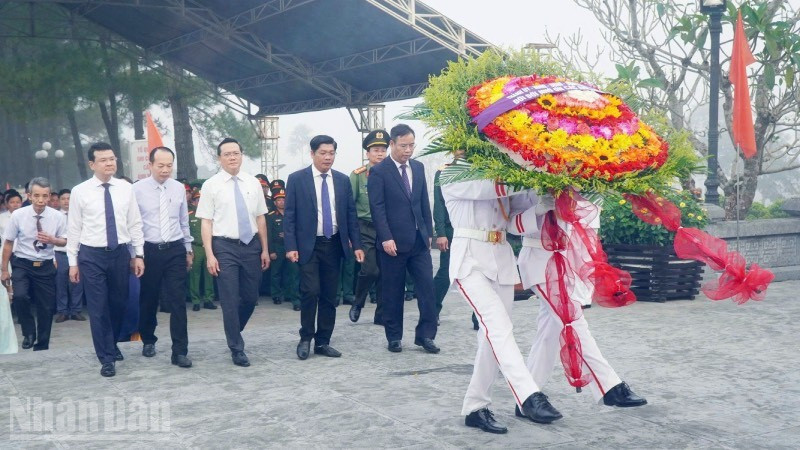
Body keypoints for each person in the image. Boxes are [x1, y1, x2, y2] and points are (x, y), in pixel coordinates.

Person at [441, 165, 563, 433]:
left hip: (501, 259)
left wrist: (542, 201)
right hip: (470, 261)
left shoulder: (505, 173)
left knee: (491, 336)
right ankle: (529, 394)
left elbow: (514, 220)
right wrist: (531, 172)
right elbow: (490, 188)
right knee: (498, 327)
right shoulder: (452, 173)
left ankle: (475, 407)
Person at [511, 196, 648, 411]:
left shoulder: (573, 175)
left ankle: (526, 395)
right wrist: (539, 208)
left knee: (549, 331)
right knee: (572, 320)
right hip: (539, 261)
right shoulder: (523, 182)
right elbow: (512, 223)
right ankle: (609, 386)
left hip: (567, 259)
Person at [67, 142, 145, 377]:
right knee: (98, 307)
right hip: (91, 255)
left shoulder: (125, 189)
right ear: (92, 164)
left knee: (119, 303)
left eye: (112, 158)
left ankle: (111, 343)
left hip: (120, 253)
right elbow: (74, 228)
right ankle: (107, 358)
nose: (110, 163)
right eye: (103, 160)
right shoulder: (80, 191)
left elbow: (134, 223)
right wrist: (73, 262)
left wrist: (137, 254)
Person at [284, 135, 364, 360]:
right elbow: (289, 215)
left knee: (330, 295)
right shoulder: (297, 179)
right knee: (311, 291)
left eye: (331, 153)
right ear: (312, 154)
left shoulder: (342, 180)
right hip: (308, 245)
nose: (328, 157)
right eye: (323, 153)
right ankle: (306, 338)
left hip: (334, 243)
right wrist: (290, 245)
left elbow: (350, 214)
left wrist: (356, 244)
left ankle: (323, 341)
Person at [196, 138, 270, 367]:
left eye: (236, 153)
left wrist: (265, 249)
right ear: (219, 158)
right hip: (224, 246)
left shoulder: (253, 183)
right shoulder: (211, 185)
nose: (232, 157)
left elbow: (260, 218)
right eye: (227, 154)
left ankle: (234, 329)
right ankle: (236, 348)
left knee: (250, 297)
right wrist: (209, 254)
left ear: (241, 155)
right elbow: (206, 222)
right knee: (229, 299)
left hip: (251, 246)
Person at [367, 124, 439, 354]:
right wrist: (386, 237)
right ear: (392, 144)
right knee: (393, 291)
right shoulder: (379, 172)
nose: (408, 150)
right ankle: (394, 336)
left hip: (418, 241)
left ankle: (426, 335)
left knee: (427, 288)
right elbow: (377, 208)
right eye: (403, 146)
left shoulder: (417, 168)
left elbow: (423, 204)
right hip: (393, 244)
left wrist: (428, 232)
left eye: (411, 145)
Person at [133, 147, 194, 368]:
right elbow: (134, 224)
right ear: (150, 165)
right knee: (148, 299)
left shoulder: (178, 188)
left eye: (169, 165)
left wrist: (187, 248)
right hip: (149, 250)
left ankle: (180, 351)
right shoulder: (137, 190)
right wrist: (137, 254)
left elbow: (183, 221)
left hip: (175, 249)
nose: (165, 170)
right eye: (161, 165)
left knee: (178, 300)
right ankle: (148, 339)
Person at [2, 177, 67, 351]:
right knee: (21, 296)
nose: (41, 200)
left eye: (45, 196)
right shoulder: (18, 215)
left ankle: (42, 344)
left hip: (45, 264)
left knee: (46, 307)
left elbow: (65, 241)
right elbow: (8, 242)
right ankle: (28, 332)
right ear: (29, 196)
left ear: (49, 196)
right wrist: (4, 270)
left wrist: (52, 239)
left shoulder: (58, 217)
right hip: (22, 263)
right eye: (36, 195)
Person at [348, 129, 388, 324]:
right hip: (365, 228)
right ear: (367, 153)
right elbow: (349, 207)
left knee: (385, 272)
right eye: (375, 150)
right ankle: (358, 302)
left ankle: (380, 313)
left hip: (387, 230)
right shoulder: (358, 176)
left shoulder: (392, 174)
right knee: (370, 269)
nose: (380, 154)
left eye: (383, 150)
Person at [432, 149, 466, 325]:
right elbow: (439, 203)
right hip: (451, 230)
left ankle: (479, 319)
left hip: (473, 229)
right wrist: (441, 233)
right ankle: (432, 310)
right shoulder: (443, 171)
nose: (460, 150)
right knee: (446, 272)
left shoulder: (480, 170)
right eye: (457, 146)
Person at [54, 189, 85, 323]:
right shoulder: (54, 216)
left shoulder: (80, 214)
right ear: (58, 201)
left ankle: (76, 310)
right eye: (63, 198)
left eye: (69, 198)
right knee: (60, 283)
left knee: (77, 282)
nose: (66, 201)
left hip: (77, 252)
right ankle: (62, 311)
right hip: (60, 253)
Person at [267, 187, 300, 310]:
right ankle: (276, 295)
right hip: (277, 247)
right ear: (275, 202)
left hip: (291, 247)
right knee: (276, 273)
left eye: (283, 199)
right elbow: (268, 235)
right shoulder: (271, 216)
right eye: (279, 200)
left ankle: (291, 295)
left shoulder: (292, 214)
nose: (282, 202)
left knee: (292, 272)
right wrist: (271, 251)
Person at [188, 191, 216, 312]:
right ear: (193, 202)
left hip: (209, 247)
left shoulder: (211, 214)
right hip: (196, 247)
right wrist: (189, 250)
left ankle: (209, 299)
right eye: (197, 200)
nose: (199, 202)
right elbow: (186, 233)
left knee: (210, 273)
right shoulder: (189, 215)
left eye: (201, 200)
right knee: (195, 275)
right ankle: (195, 301)